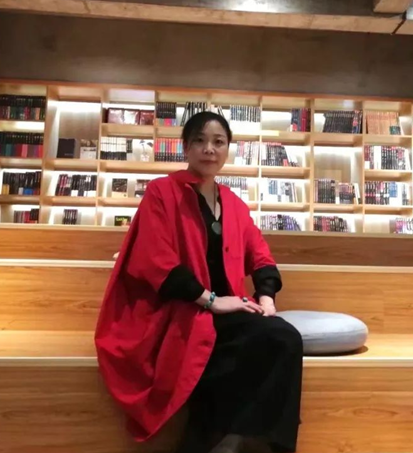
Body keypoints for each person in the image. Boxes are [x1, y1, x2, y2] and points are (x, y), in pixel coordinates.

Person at [95, 111, 303, 453]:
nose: (209, 149)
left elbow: (260, 254)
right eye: (200, 141)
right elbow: (156, 260)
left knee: (282, 338)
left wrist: (266, 297)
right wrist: (211, 300)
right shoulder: (162, 193)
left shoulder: (234, 204)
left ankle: (228, 439)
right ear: (186, 148)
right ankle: (226, 441)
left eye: (218, 142)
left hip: (225, 310)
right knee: (260, 344)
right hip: (178, 309)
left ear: (227, 149)